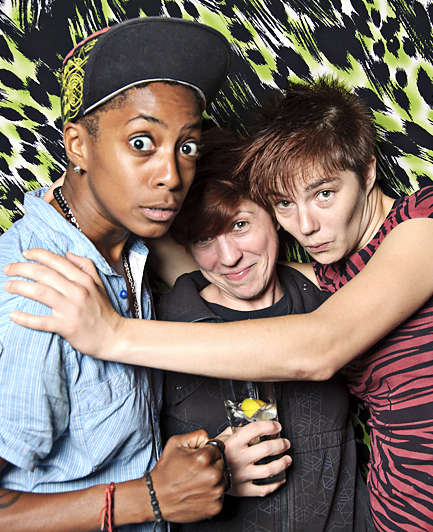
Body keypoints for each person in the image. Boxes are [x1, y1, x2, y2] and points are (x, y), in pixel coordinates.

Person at [4, 77, 433, 532]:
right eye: (285, 204)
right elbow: (207, 264)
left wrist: (112, 334)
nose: (306, 226)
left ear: (367, 173)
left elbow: (319, 346)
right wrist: (90, 183)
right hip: (392, 518)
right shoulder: (334, 277)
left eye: (324, 194)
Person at [0, 18, 235, 532]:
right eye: (142, 142)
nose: (171, 176)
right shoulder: (35, 301)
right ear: (78, 145)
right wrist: (150, 498)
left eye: (187, 146)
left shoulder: (127, 245)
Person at [153, 127, 373, 531]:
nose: (229, 257)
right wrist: (209, 473)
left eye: (240, 225)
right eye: (205, 239)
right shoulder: (158, 329)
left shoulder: (334, 301)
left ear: (274, 215)